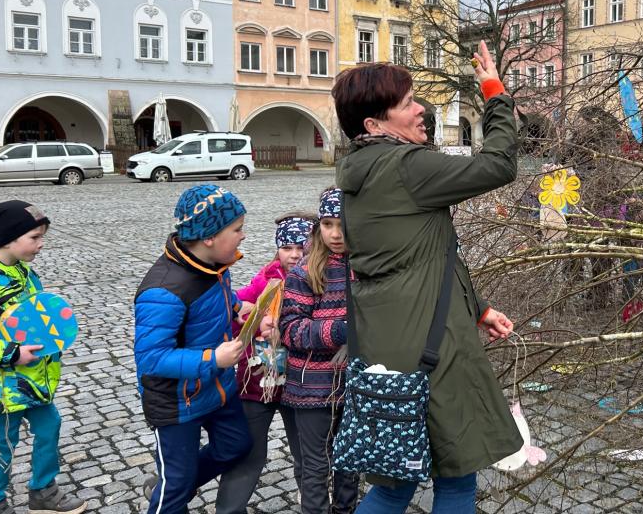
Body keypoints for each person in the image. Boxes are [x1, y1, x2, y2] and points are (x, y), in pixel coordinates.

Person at [333, 42, 521, 513]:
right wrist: (495, 92)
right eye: (408, 104)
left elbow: (423, 254)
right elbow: (499, 164)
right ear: (374, 125)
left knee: (394, 482)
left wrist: (476, 309)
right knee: (457, 473)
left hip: (387, 337)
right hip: (431, 347)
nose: (421, 110)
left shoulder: (360, 168)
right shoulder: (406, 166)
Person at [134, 184, 254, 514]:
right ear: (210, 236)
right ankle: (170, 493)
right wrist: (212, 358)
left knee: (236, 445)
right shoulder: (163, 290)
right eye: (237, 229)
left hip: (215, 389)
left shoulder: (214, 264)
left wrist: (237, 307)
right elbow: (151, 358)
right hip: (175, 401)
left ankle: (171, 487)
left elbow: (215, 301)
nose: (243, 236)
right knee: (177, 483)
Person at [0, 201, 86, 514]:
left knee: (50, 425)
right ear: (8, 239)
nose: (41, 244)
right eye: (34, 237)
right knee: (2, 442)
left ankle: (42, 491)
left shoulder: (20, 269)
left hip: (30, 380)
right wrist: (11, 353)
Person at [215, 216, 315, 514]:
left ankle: (312, 500)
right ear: (277, 250)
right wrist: (250, 322)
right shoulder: (262, 283)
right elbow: (232, 316)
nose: (295, 254)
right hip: (257, 384)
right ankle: (229, 509)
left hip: (301, 385)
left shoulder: (317, 282)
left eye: (302, 247)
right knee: (248, 452)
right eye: (287, 247)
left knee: (307, 452)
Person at [279, 187, 359, 514]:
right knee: (315, 468)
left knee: (350, 463)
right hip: (311, 388)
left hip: (354, 384)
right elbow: (291, 329)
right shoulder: (305, 272)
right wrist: (340, 329)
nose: (336, 233)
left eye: (343, 223)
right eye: (327, 224)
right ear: (318, 227)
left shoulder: (366, 267)